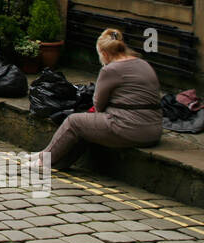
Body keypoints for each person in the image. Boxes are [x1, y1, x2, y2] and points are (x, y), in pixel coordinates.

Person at [32, 28, 162, 170]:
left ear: (104, 53)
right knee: (86, 125)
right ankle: (54, 160)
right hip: (153, 129)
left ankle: (43, 160)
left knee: (73, 121)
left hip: (129, 129)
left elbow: (98, 105)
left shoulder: (111, 69)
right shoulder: (143, 63)